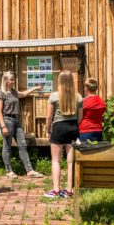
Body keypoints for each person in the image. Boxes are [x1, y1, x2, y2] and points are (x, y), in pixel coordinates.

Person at [0, 71, 43, 178]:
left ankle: (29, 171)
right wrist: (3, 126)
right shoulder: (1, 94)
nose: (13, 81)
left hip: (16, 121)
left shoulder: (14, 92)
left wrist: (35, 88)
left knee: (22, 145)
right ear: (6, 81)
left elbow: (24, 93)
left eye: (13, 79)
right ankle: (9, 171)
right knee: (7, 147)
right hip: (7, 120)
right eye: (11, 79)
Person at [44, 70, 83, 198]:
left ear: (59, 81)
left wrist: (47, 130)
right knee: (70, 161)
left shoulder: (54, 96)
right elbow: (80, 118)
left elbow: (49, 117)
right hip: (73, 127)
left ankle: (56, 190)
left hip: (58, 128)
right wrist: (75, 128)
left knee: (56, 160)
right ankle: (69, 190)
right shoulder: (78, 97)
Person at [78, 77, 106, 143]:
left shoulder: (84, 102)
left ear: (86, 88)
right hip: (98, 130)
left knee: (85, 152)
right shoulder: (101, 102)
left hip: (85, 130)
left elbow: (79, 117)